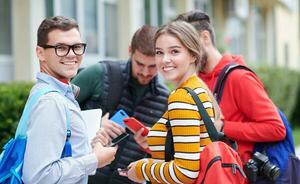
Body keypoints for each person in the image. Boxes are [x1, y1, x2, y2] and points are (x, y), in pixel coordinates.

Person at [175, 11, 286, 182]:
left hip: (235, 176)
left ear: (205, 37)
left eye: (188, 45)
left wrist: (223, 127)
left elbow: (276, 128)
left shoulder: (239, 78)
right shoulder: (194, 80)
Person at [118, 21, 222, 183]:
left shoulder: (181, 97)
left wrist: (142, 169)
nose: (165, 59)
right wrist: (153, 138)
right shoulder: (198, 89)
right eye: (159, 52)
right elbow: (189, 147)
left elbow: (186, 172)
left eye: (174, 51)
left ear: (193, 55)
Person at [22, 16, 117, 184]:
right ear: (40, 53)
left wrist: (91, 146)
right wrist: (95, 160)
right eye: (61, 48)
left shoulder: (58, 94)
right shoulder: (51, 102)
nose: (72, 54)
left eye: (77, 47)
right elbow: (38, 177)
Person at [71, 25, 170, 184]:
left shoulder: (166, 99)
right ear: (130, 51)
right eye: (140, 64)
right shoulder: (99, 73)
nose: (145, 72)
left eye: (152, 66)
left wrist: (154, 144)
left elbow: (164, 161)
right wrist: (93, 124)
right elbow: (57, 114)